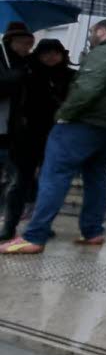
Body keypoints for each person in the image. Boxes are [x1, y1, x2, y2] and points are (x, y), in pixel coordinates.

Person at [2, 20, 106, 255]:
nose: (90, 36)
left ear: (102, 31)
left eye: (91, 32)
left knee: (53, 175)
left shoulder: (104, 53)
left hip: (85, 123)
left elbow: (87, 89)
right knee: (96, 176)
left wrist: (64, 114)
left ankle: (34, 236)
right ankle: (93, 231)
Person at [2, 39, 74, 241]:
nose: (50, 57)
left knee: (49, 183)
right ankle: (9, 225)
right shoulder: (27, 73)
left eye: (55, 53)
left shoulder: (71, 76)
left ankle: (41, 224)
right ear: (38, 54)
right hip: (26, 136)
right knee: (19, 182)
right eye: (45, 53)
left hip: (58, 135)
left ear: (62, 55)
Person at [0, 22, 35, 214]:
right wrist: (13, 78)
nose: (26, 47)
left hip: (17, 128)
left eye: (29, 44)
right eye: (23, 43)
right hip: (2, 124)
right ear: (10, 41)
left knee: (14, 174)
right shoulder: (4, 61)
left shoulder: (27, 63)